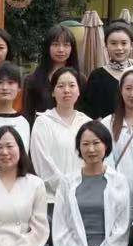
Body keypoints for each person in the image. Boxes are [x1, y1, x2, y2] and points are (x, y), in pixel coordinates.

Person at [30, 65, 90, 207]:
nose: (66, 90)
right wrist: (67, 188)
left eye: (72, 85)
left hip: (82, 198)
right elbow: (42, 162)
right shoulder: (43, 122)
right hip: (52, 200)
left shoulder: (87, 123)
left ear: (79, 91)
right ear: (52, 92)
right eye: (61, 86)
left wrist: (81, 189)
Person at [81, 20, 133, 118]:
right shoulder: (97, 76)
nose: (119, 48)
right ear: (106, 46)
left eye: (124, 43)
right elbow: (89, 112)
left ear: (131, 46)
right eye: (113, 43)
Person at [25, 25, 81, 119]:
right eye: (55, 44)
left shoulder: (80, 79)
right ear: (47, 47)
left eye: (66, 45)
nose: (61, 50)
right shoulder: (34, 79)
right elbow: (28, 113)